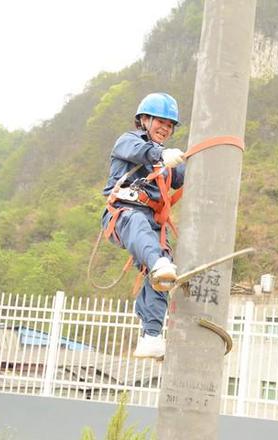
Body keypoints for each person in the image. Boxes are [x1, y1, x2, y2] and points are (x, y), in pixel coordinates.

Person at [101, 92, 185, 360]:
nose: (165, 128)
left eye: (170, 125)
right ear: (144, 120)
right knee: (147, 241)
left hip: (151, 224)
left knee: (162, 271)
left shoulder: (167, 162)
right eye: (160, 121)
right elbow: (141, 152)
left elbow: (184, 176)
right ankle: (158, 261)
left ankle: (151, 335)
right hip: (123, 214)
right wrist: (162, 154)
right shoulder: (128, 142)